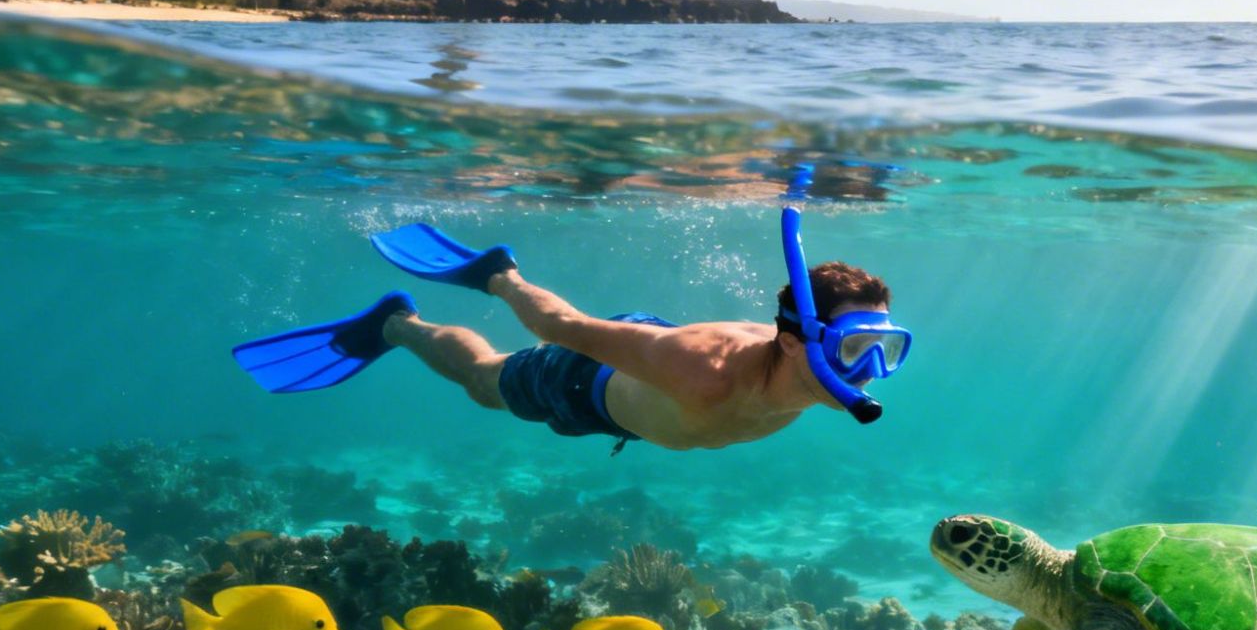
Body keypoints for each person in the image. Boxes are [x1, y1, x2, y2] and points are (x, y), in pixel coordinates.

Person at [232, 224, 910, 452]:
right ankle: (401, 319)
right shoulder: (703, 368)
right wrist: (510, 289)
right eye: (857, 347)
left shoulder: (802, 363)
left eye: (887, 347)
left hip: (645, 397)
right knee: (483, 384)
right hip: (581, 382)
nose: (873, 369)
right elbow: (567, 329)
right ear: (798, 342)